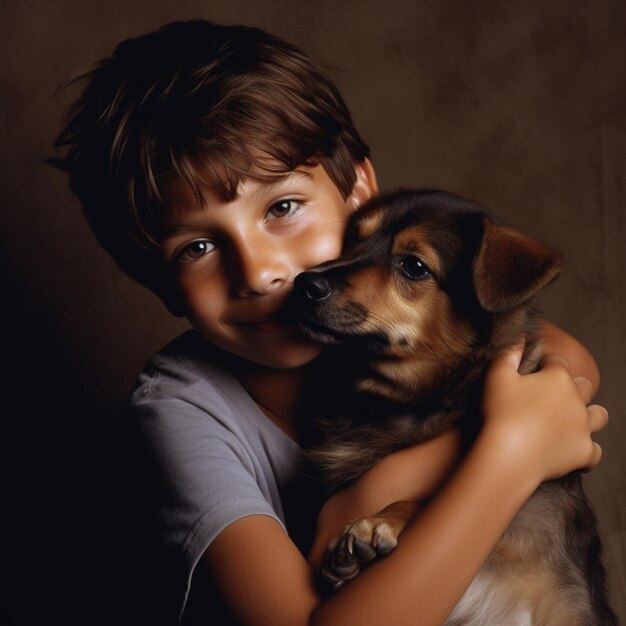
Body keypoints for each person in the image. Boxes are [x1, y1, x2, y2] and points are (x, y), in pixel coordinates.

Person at [52, 19, 607, 625]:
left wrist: (362, 499)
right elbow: (545, 398)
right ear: (162, 285)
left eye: (283, 207)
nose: (260, 272)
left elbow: (564, 362)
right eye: (197, 249)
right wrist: (510, 450)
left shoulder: (367, 335)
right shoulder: (183, 410)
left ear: (360, 190)